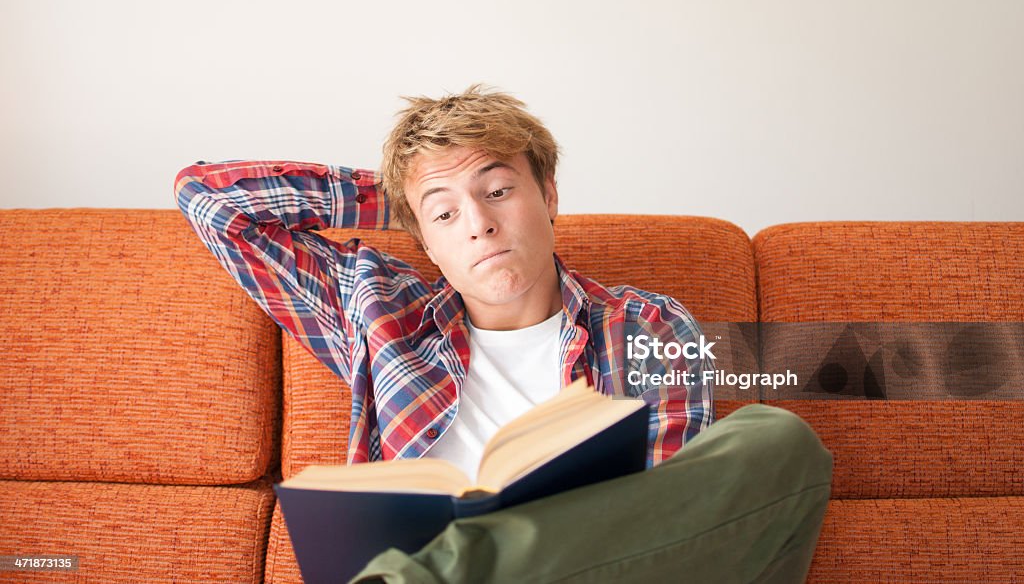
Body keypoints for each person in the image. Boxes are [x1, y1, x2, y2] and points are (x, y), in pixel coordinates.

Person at [174, 84, 833, 583]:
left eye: (496, 190)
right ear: (423, 240)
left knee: (777, 440)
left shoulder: (648, 326)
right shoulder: (378, 314)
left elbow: (662, 531)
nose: (478, 225)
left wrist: (436, 191)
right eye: (446, 214)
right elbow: (211, 199)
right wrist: (405, 191)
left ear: (549, 196)